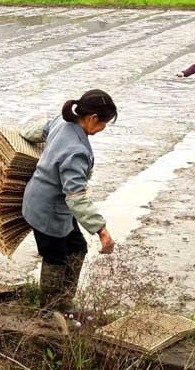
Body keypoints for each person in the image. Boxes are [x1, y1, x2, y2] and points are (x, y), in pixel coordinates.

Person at [20, 90, 117, 312]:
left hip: (40, 199)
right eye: (104, 123)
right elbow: (76, 196)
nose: (103, 128)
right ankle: (49, 311)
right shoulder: (77, 151)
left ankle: (64, 301)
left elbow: (38, 130)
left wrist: (21, 135)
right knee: (55, 257)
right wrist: (101, 230)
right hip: (48, 210)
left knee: (77, 248)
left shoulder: (62, 122)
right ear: (92, 118)